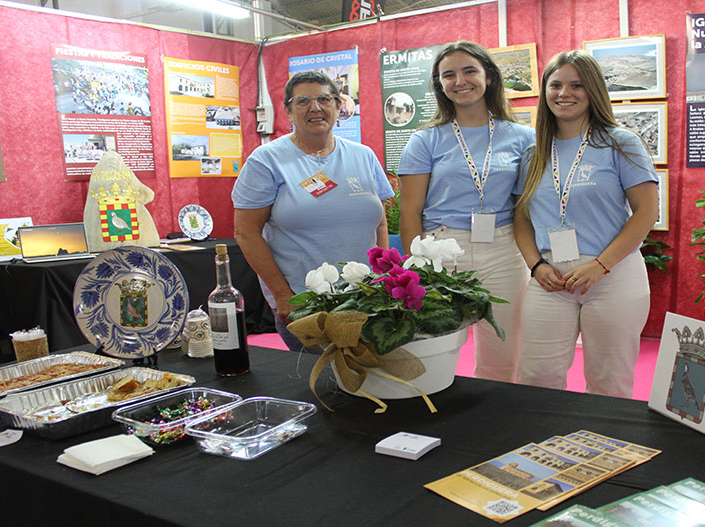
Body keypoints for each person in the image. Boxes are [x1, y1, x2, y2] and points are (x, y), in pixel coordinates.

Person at [513, 50, 659, 397]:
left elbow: (646, 213)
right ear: (545, 92)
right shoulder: (534, 154)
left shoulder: (621, 143)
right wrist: (535, 265)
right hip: (551, 279)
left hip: (612, 276)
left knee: (609, 380)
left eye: (576, 85)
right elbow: (521, 216)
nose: (565, 93)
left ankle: (605, 446)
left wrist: (600, 266)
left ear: (593, 90)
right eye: (556, 85)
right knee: (536, 376)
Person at [397, 41, 535, 382]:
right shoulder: (425, 140)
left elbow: (526, 207)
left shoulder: (523, 137)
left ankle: (494, 416)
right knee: (432, 341)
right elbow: (410, 211)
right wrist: (417, 265)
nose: (460, 80)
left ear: (488, 76)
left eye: (469, 70)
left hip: (504, 247)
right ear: (440, 85)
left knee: (503, 346)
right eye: (449, 75)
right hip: (441, 247)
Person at [232, 70, 393, 352]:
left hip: (366, 297)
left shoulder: (363, 155)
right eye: (303, 101)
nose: (315, 107)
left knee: (373, 381)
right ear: (288, 111)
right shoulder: (266, 160)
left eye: (324, 99)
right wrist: (282, 295)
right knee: (323, 384)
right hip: (305, 301)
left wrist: (384, 277)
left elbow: (379, 223)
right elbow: (246, 232)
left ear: (338, 105)